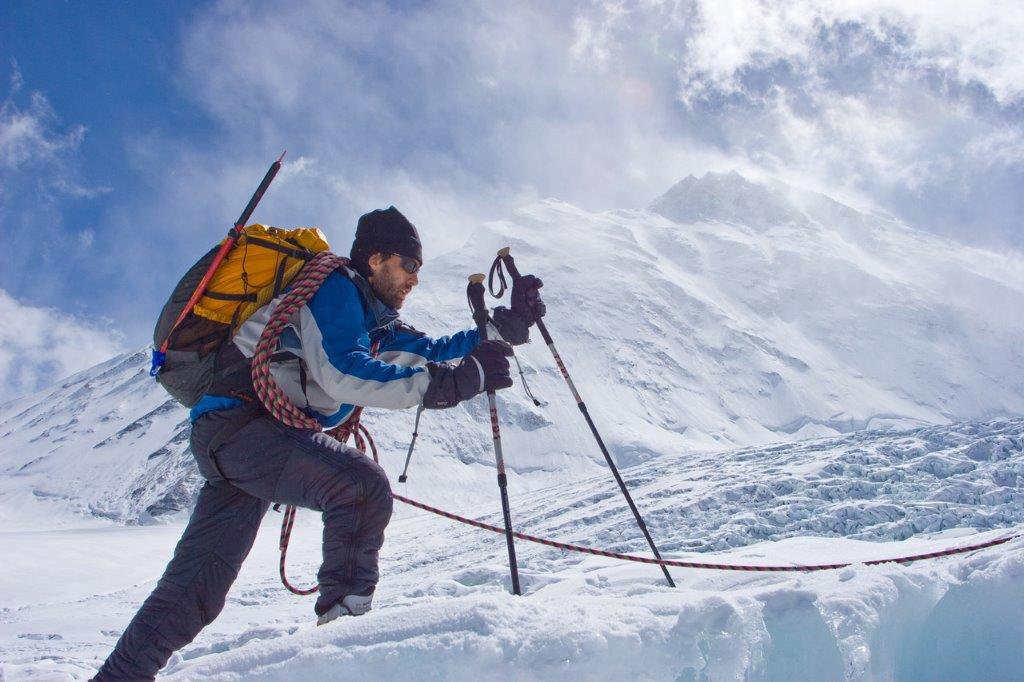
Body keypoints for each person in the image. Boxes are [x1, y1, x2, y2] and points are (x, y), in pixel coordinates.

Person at [92, 206, 545, 681]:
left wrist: (501, 330)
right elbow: (343, 371)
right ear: (376, 260)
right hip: (245, 427)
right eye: (409, 265)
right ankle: (344, 652)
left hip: (237, 437)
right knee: (359, 486)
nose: (415, 279)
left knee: (194, 589)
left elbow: (431, 349)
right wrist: (450, 385)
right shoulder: (335, 290)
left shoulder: (373, 318)